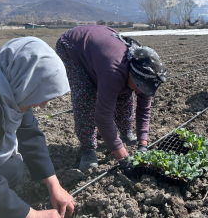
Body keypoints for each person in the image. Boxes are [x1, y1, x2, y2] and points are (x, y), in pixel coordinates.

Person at [0, 37, 75, 218]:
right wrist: (33, 215)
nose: (43, 105)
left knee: (13, 167)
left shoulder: (12, 83)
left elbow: (30, 134)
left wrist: (54, 185)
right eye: (41, 94)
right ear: (29, 82)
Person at [55, 25, 167, 172]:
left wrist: (143, 144)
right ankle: (88, 148)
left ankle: (126, 131)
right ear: (132, 73)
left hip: (101, 49)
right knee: (86, 97)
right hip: (73, 47)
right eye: (140, 87)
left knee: (125, 92)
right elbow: (103, 118)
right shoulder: (114, 71)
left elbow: (144, 110)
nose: (141, 92)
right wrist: (122, 157)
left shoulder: (147, 74)